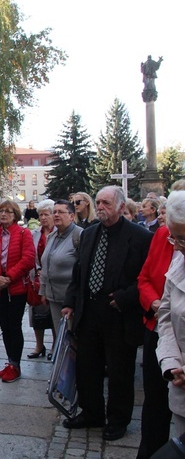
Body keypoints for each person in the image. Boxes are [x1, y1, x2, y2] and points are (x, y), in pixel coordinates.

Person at [62, 186, 153, 441]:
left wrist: (125, 297)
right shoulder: (89, 234)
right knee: (86, 366)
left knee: (119, 371)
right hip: (89, 311)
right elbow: (78, 273)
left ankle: (117, 419)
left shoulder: (140, 237)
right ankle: (91, 412)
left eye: (107, 203)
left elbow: (147, 278)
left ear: (121, 207)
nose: (100, 207)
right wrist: (70, 302)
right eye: (99, 202)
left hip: (119, 314)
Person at [138, 194, 176, 458]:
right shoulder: (162, 236)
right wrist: (153, 301)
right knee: (155, 401)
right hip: (156, 327)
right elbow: (144, 278)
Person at [0, 200, 36, 383]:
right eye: (1, 211)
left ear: (15, 215)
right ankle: (9, 362)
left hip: (16, 287)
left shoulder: (24, 233)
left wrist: (9, 278)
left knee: (14, 325)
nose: (3, 214)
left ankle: (16, 364)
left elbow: (28, 259)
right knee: (4, 326)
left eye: (8, 211)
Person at [155, 190, 185, 441]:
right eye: (173, 238)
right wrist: (171, 363)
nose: (176, 246)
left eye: (182, 239)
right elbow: (165, 315)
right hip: (180, 384)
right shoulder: (179, 261)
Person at [38, 200, 82, 342]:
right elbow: (46, 265)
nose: (56, 215)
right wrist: (43, 291)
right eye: (54, 212)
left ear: (71, 216)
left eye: (60, 212)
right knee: (60, 337)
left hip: (71, 299)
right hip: (53, 298)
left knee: (73, 338)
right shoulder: (52, 236)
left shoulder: (80, 236)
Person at [27, 200, 56, 359]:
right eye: (41, 215)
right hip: (37, 278)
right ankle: (39, 345)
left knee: (53, 313)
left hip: (53, 279)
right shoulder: (35, 233)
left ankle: (54, 345)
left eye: (47, 214)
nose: (43, 218)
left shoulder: (59, 232)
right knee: (37, 312)